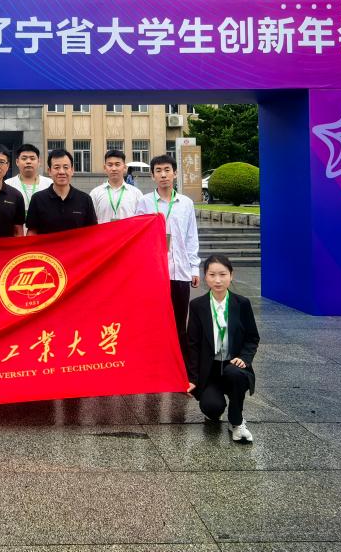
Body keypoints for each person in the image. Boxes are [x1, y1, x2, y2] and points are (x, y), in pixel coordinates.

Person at [187, 254, 259, 443]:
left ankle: (237, 422)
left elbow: (252, 337)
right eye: (212, 275)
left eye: (222, 274)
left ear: (231, 275)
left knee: (235, 374)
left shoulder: (242, 304)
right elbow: (192, 344)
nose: (217, 280)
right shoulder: (197, 306)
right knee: (212, 407)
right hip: (209, 370)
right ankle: (215, 406)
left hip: (234, 365)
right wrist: (192, 378)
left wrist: (245, 357)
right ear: (205, 276)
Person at [138, 154, 201, 362]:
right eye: (158, 171)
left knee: (179, 321)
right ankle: (154, 362)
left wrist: (194, 268)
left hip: (179, 272)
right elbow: (139, 236)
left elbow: (191, 237)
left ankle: (180, 365)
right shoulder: (145, 202)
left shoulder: (186, 203)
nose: (163, 175)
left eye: (167, 170)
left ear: (175, 173)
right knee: (153, 321)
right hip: (153, 273)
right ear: (152, 176)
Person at [25, 148, 97, 234]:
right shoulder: (38, 199)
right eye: (57, 167)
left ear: (72, 170)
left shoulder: (85, 199)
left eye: (66, 167)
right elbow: (32, 232)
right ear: (49, 171)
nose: (61, 172)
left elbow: (92, 232)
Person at [90, 148, 145, 223]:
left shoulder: (136, 193)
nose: (114, 169)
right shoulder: (95, 193)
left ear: (124, 167)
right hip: (104, 231)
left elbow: (142, 221)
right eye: (110, 165)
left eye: (117, 164)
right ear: (105, 168)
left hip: (128, 231)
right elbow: (91, 221)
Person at [6, 143, 53, 217]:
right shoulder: (7, 184)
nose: (28, 161)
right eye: (24, 158)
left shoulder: (50, 184)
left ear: (39, 162)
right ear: (17, 162)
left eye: (32, 158)